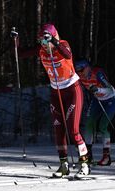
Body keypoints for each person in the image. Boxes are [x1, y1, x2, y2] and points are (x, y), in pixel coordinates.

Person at [16, 23, 90, 178]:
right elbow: (21, 54)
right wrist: (16, 40)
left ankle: (84, 163)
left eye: (45, 41)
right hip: (56, 93)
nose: (43, 45)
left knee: (73, 130)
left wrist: (54, 42)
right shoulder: (41, 49)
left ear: (53, 37)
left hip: (72, 90)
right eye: (41, 42)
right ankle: (63, 165)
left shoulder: (62, 45)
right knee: (58, 130)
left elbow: (68, 55)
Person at [74, 58, 115, 166]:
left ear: (88, 67)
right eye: (78, 71)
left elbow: (109, 90)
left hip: (111, 99)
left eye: (82, 70)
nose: (80, 73)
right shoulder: (79, 77)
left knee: (102, 126)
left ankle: (106, 156)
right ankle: (88, 155)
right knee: (89, 123)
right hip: (97, 99)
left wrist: (98, 90)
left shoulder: (97, 73)